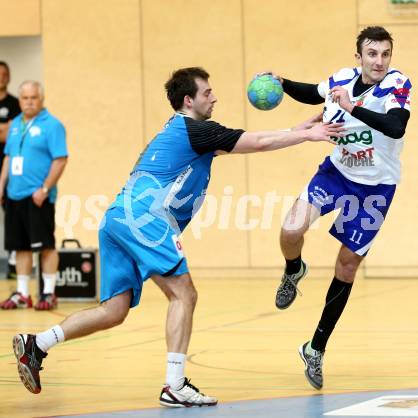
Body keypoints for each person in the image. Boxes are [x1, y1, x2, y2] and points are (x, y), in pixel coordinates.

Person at [11, 67, 344, 407]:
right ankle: (174, 384)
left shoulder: (183, 132)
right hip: (147, 219)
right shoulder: (198, 131)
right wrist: (307, 135)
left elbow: (255, 141)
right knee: (184, 294)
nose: (214, 97)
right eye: (207, 92)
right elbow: (257, 142)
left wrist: (304, 128)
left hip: (117, 218)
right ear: (189, 100)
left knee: (114, 310)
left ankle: (37, 344)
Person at [271, 26, 411, 390]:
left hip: (376, 188)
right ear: (359, 56)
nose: (379, 60)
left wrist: (352, 109)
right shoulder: (342, 78)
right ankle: (293, 269)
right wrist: (282, 82)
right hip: (336, 174)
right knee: (290, 229)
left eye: (385, 54)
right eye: (372, 53)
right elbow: (311, 93)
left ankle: (315, 348)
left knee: (347, 265)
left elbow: (396, 127)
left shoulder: (397, 85)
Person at [0, 81, 68, 310]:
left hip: (38, 196)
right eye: (25, 98)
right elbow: (9, 158)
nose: (29, 102)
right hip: (14, 196)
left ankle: (48, 293)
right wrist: (2, 186)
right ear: (19, 100)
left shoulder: (52, 125)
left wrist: (45, 189)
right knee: (20, 247)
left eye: (33, 98)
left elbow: (60, 159)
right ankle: (22, 293)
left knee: (45, 245)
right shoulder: (16, 124)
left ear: (41, 99)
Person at [0, 61, 21, 279]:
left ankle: (14, 262)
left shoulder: (15, 104)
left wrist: (7, 130)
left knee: (12, 216)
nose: (1, 77)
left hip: (8, 168)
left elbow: (10, 134)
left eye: (4, 74)